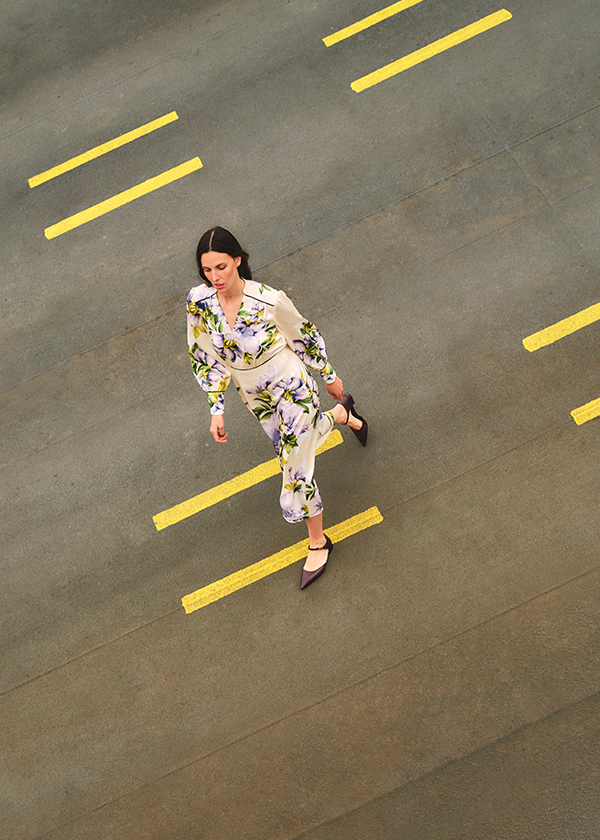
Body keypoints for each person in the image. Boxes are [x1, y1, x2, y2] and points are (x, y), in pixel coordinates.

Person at [186, 227, 367, 589]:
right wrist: (216, 408)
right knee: (291, 449)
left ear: (238, 260)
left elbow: (305, 336)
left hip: (291, 386)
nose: (215, 277)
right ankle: (342, 416)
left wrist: (329, 377)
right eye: (208, 271)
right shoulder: (199, 302)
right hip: (254, 395)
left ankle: (318, 542)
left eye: (221, 267)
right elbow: (203, 354)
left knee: (294, 467)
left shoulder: (269, 300)